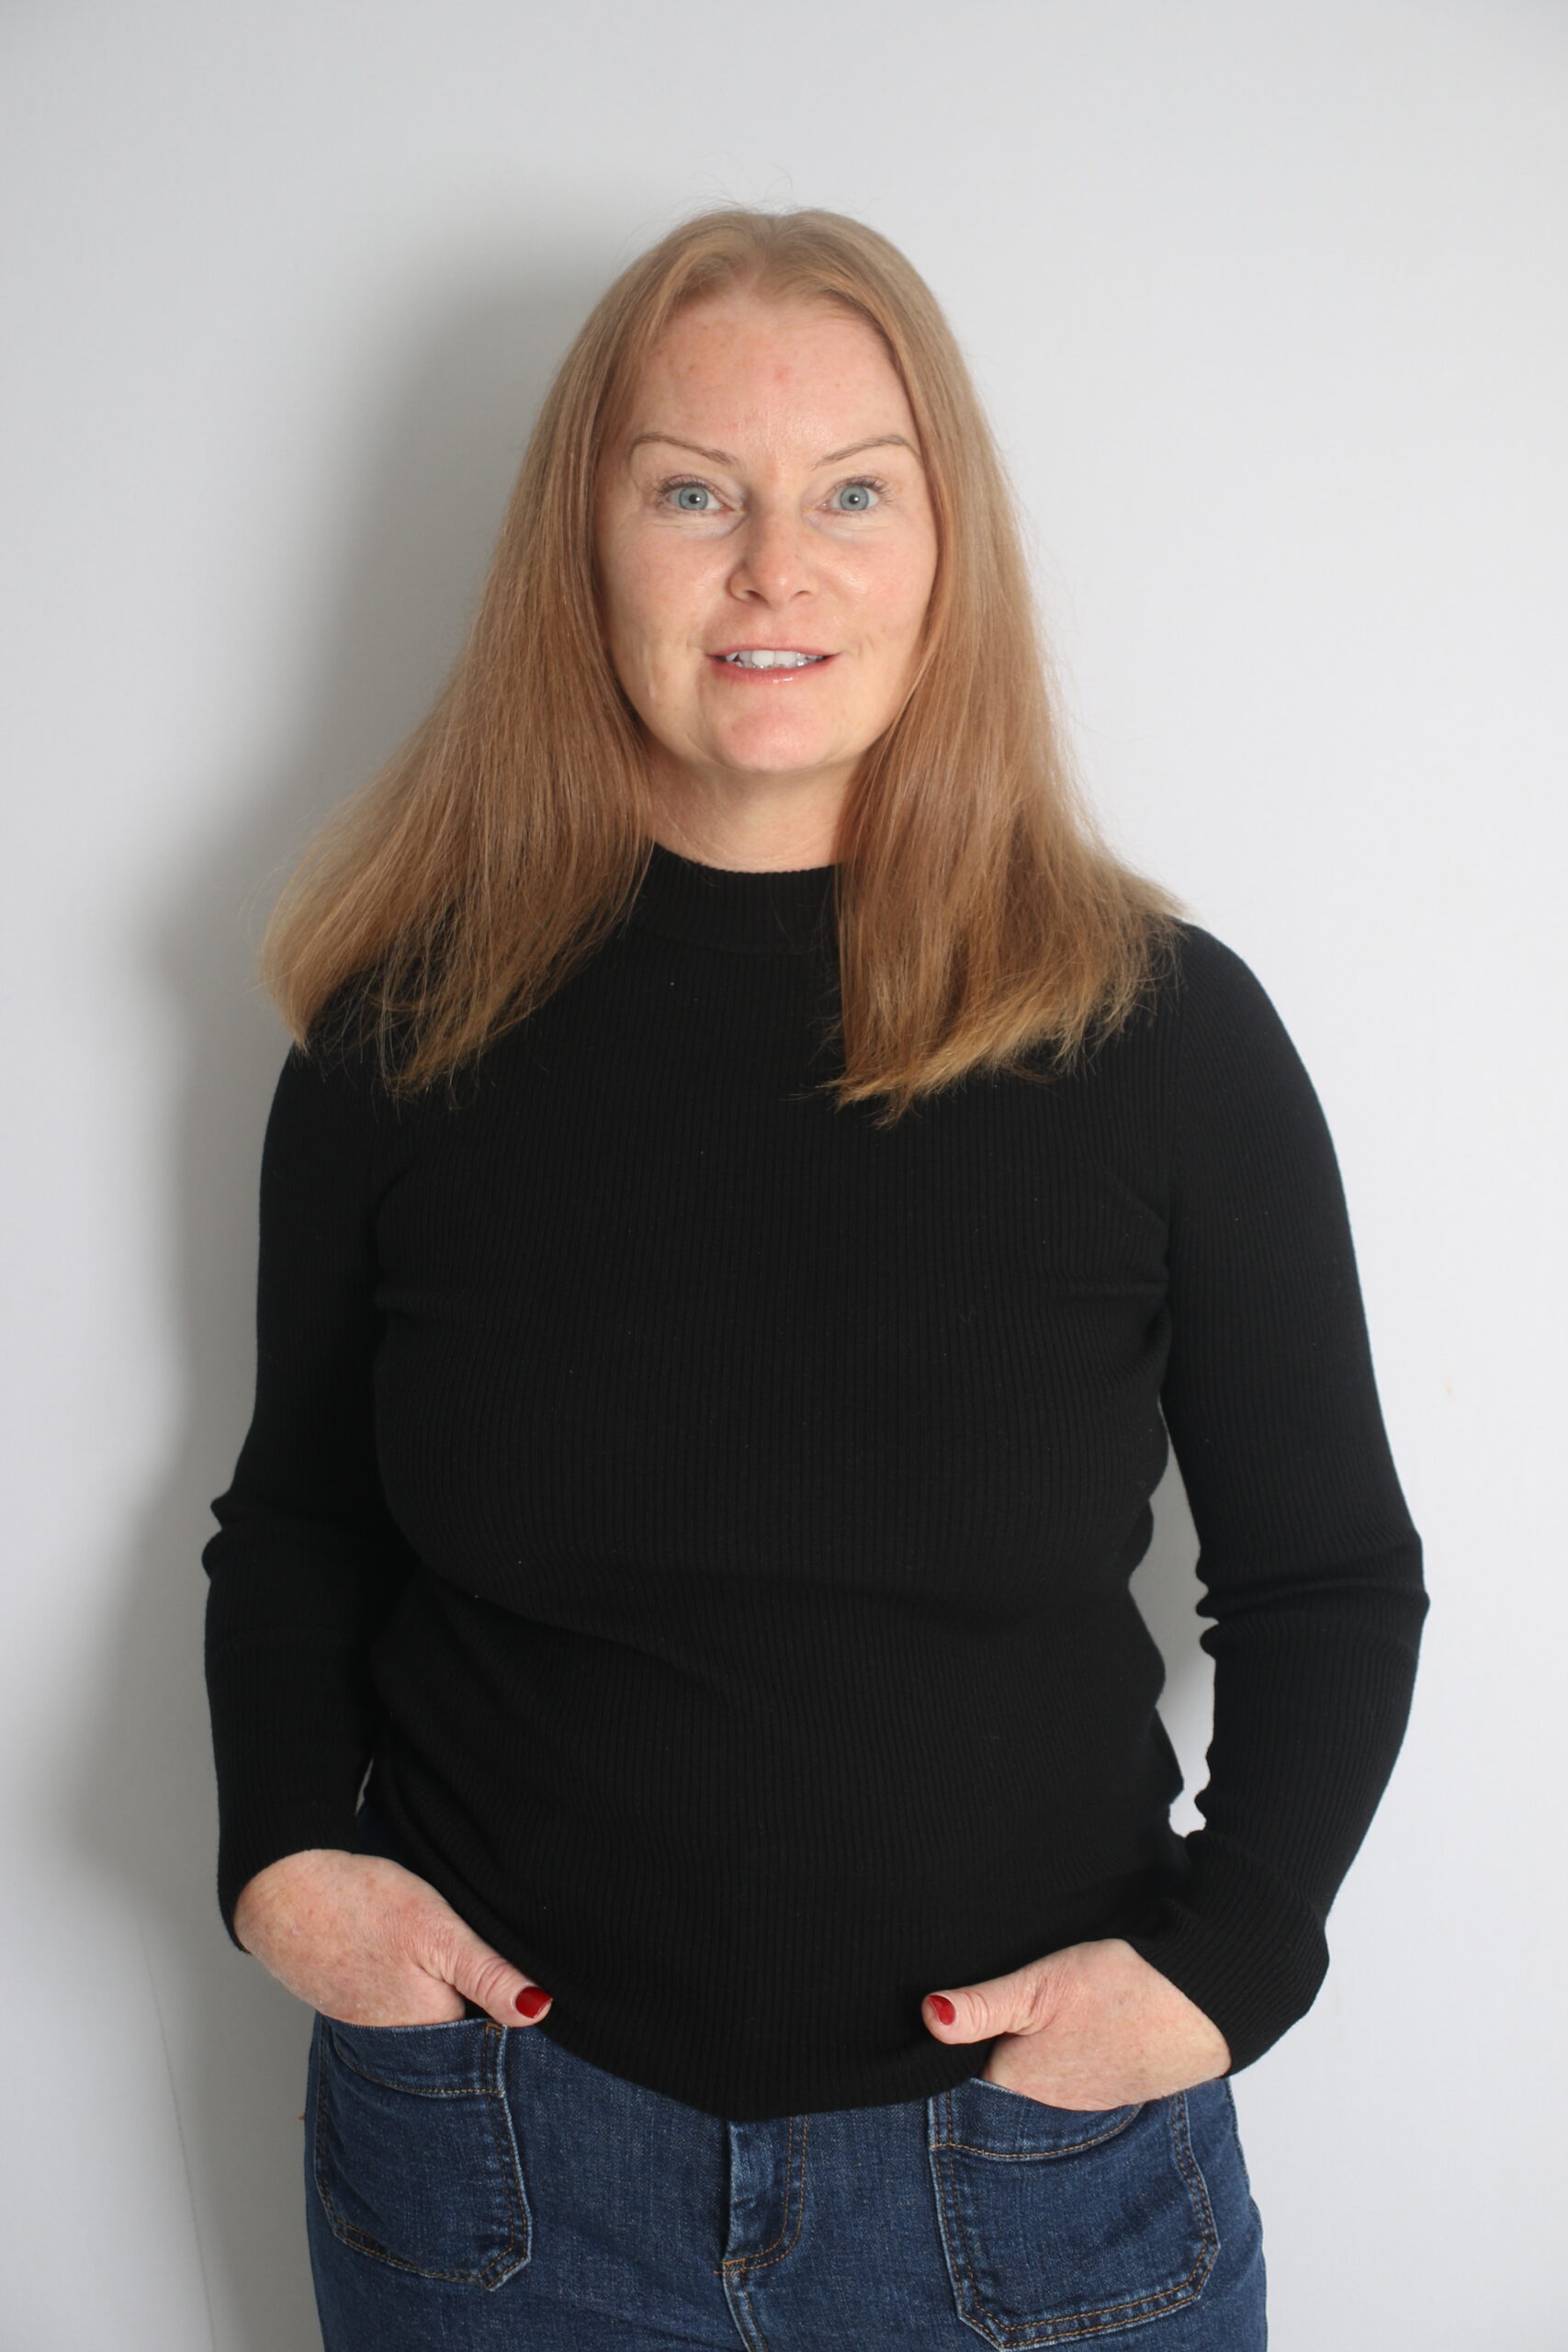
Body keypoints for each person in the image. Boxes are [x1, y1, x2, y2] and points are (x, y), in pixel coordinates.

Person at [202, 205, 1427, 2350]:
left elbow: (1324, 1575)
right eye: (693, 493)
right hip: (497, 2174)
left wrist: (1224, 1968)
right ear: (583, 548)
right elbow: (303, 1521)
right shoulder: (402, 1040)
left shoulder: (1154, 1035)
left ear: (944, 548)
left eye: (853, 493)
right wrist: (288, 1856)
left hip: (1029, 2189)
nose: (774, 568)